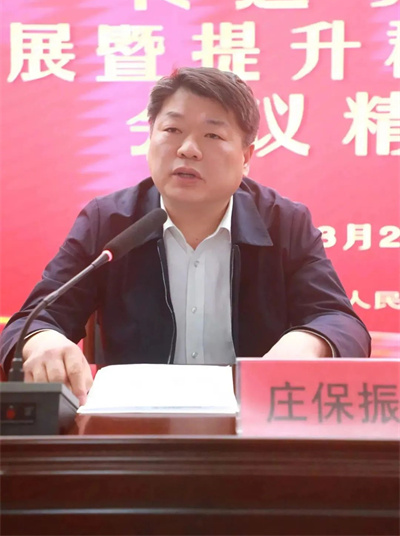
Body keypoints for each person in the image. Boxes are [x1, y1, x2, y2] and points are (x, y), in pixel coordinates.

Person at [0, 67, 371, 404]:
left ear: (246, 156)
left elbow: (339, 321)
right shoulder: (109, 221)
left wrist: (309, 343)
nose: (187, 149)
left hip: (252, 427)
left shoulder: (283, 222)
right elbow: (30, 322)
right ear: (150, 137)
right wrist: (41, 340)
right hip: (134, 431)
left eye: (212, 134)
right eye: (172, 130)